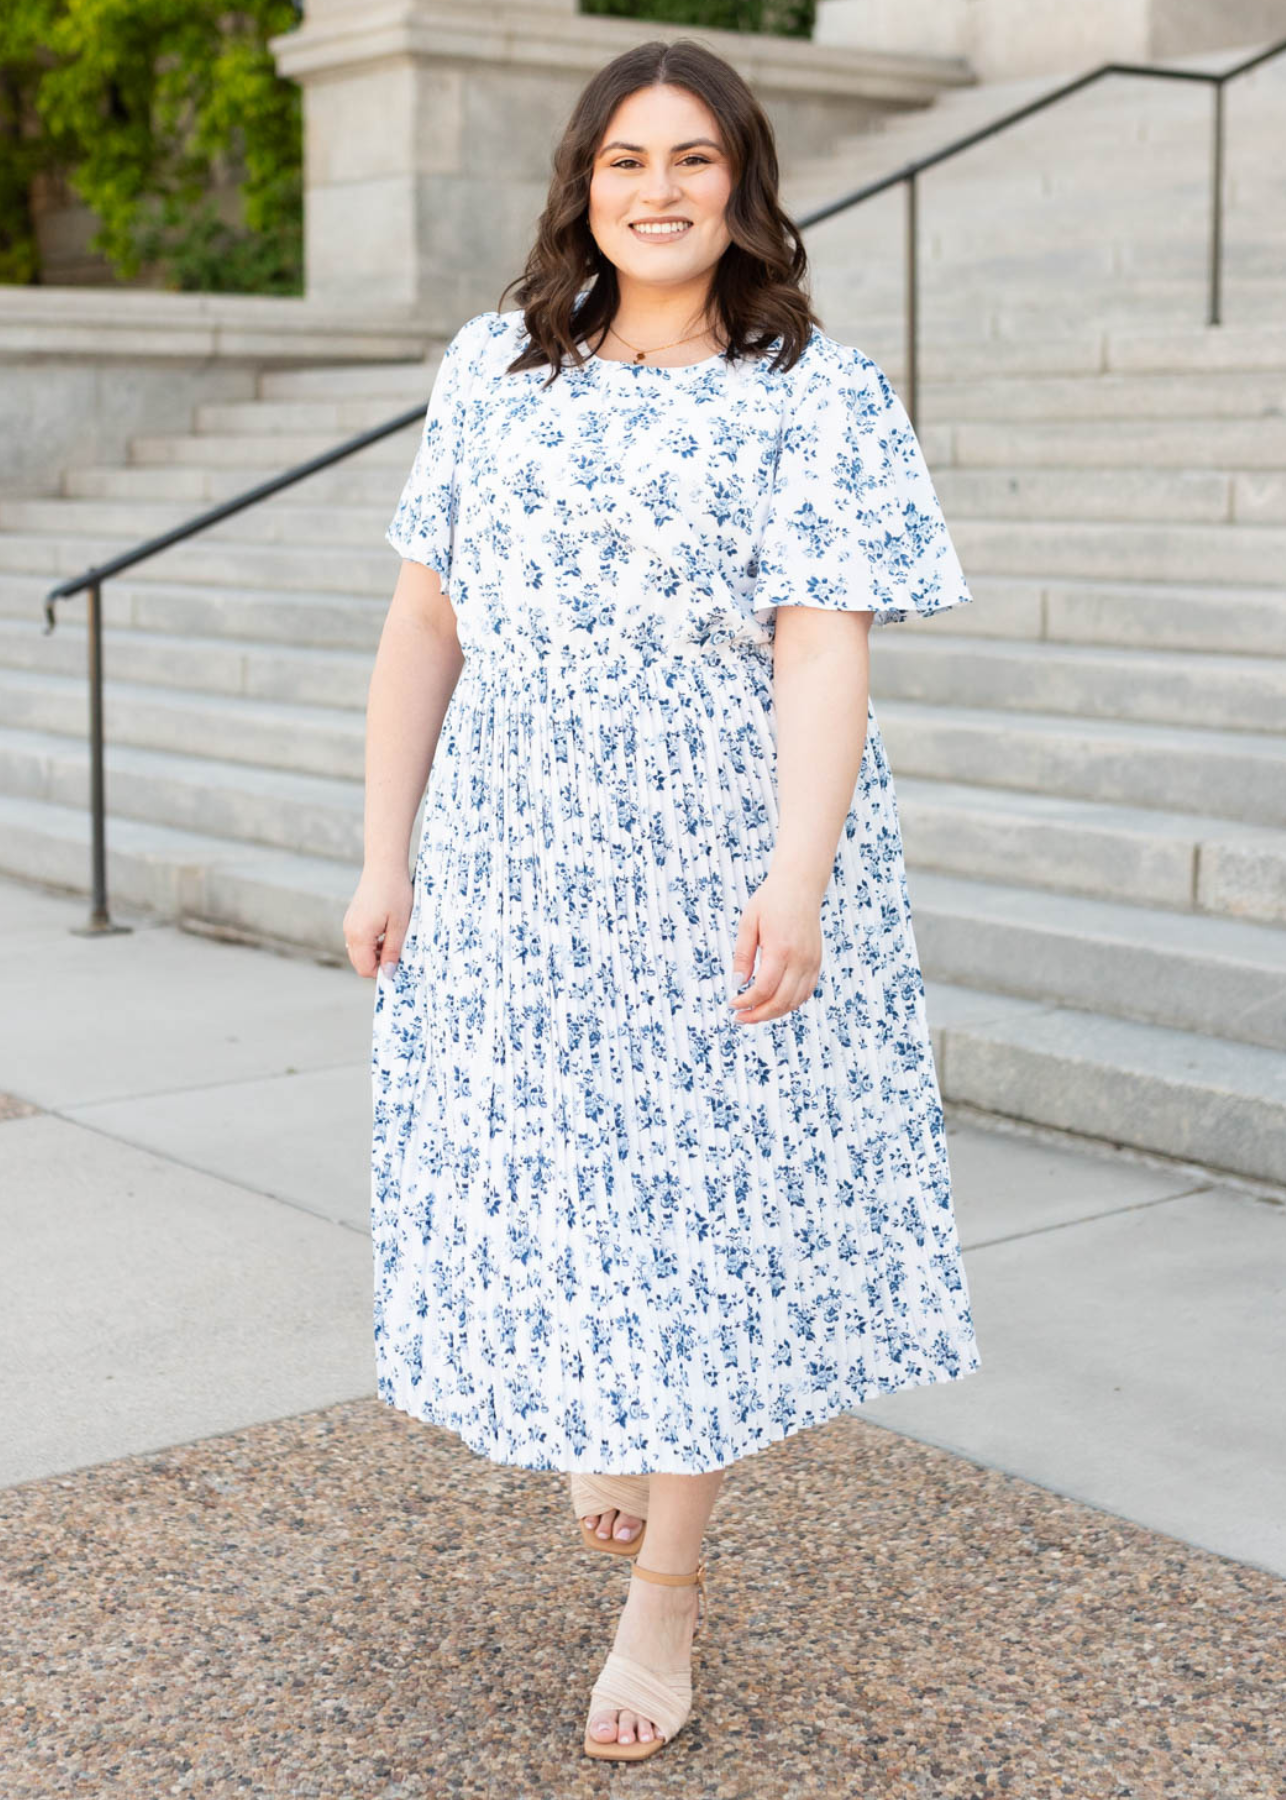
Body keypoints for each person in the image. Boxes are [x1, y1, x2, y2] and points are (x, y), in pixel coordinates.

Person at [344, 35, 982, 1764]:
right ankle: (594, 1411)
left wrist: (797, 875)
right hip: (510, 845)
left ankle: (665, 1602)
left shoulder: (812, 392)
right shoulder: (495, 367)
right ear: (583, 183)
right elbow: (424, 624)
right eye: (627, 159)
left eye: (693, 158)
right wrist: (386, 848)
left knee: (701, 1210)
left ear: (743, 184)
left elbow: (822, 653)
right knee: (539, 1157)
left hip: (709, 842)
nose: (659, 190)